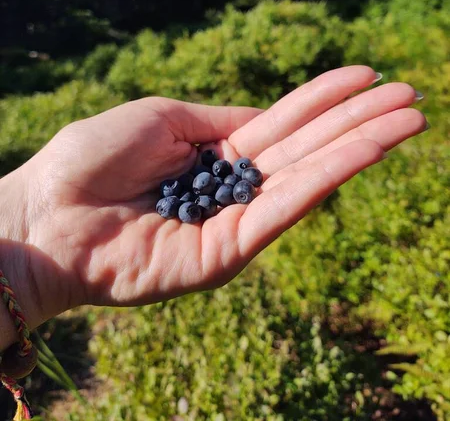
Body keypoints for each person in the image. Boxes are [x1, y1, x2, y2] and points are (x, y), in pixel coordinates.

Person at [0, 66, 428, 353]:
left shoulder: (216, 182)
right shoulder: (197, 189)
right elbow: (200, 193)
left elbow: (209, 188)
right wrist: (27, 221)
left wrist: (26, 258)